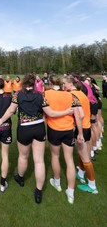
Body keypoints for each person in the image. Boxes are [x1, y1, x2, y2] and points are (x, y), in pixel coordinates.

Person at [0, 73, 74, 204]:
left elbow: (10, 110)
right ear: (34, 84)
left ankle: (20, 177)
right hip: (38, 128)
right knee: (39, 161)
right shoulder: (40, 95)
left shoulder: (18, 94)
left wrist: (0, 120)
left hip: (24, 129)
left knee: (23, 157)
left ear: (24, 83)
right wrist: (66, 112)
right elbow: (50, 113)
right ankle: (38, 190)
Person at [44, 74, 84, 205]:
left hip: (54, 129)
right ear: (61, 83)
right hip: (68, 130)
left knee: (55, 156)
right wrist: (80, 134)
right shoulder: (71, 95)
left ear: (50, 82)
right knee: (69, 160)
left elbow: (44, 113)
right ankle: (70, 192)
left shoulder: (46, 94)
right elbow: (78, 116)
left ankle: (57, 182)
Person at [63, 75, 98, 194]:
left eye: (65, 84)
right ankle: (81, 174)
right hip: (86, 126)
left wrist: (76, 128)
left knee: (85, 157)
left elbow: (80, 114)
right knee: (82, 152)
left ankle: (92, 186)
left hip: (81, 128)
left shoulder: (72, 95)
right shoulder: (82, 93)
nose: (64, 86)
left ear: (70, 84)